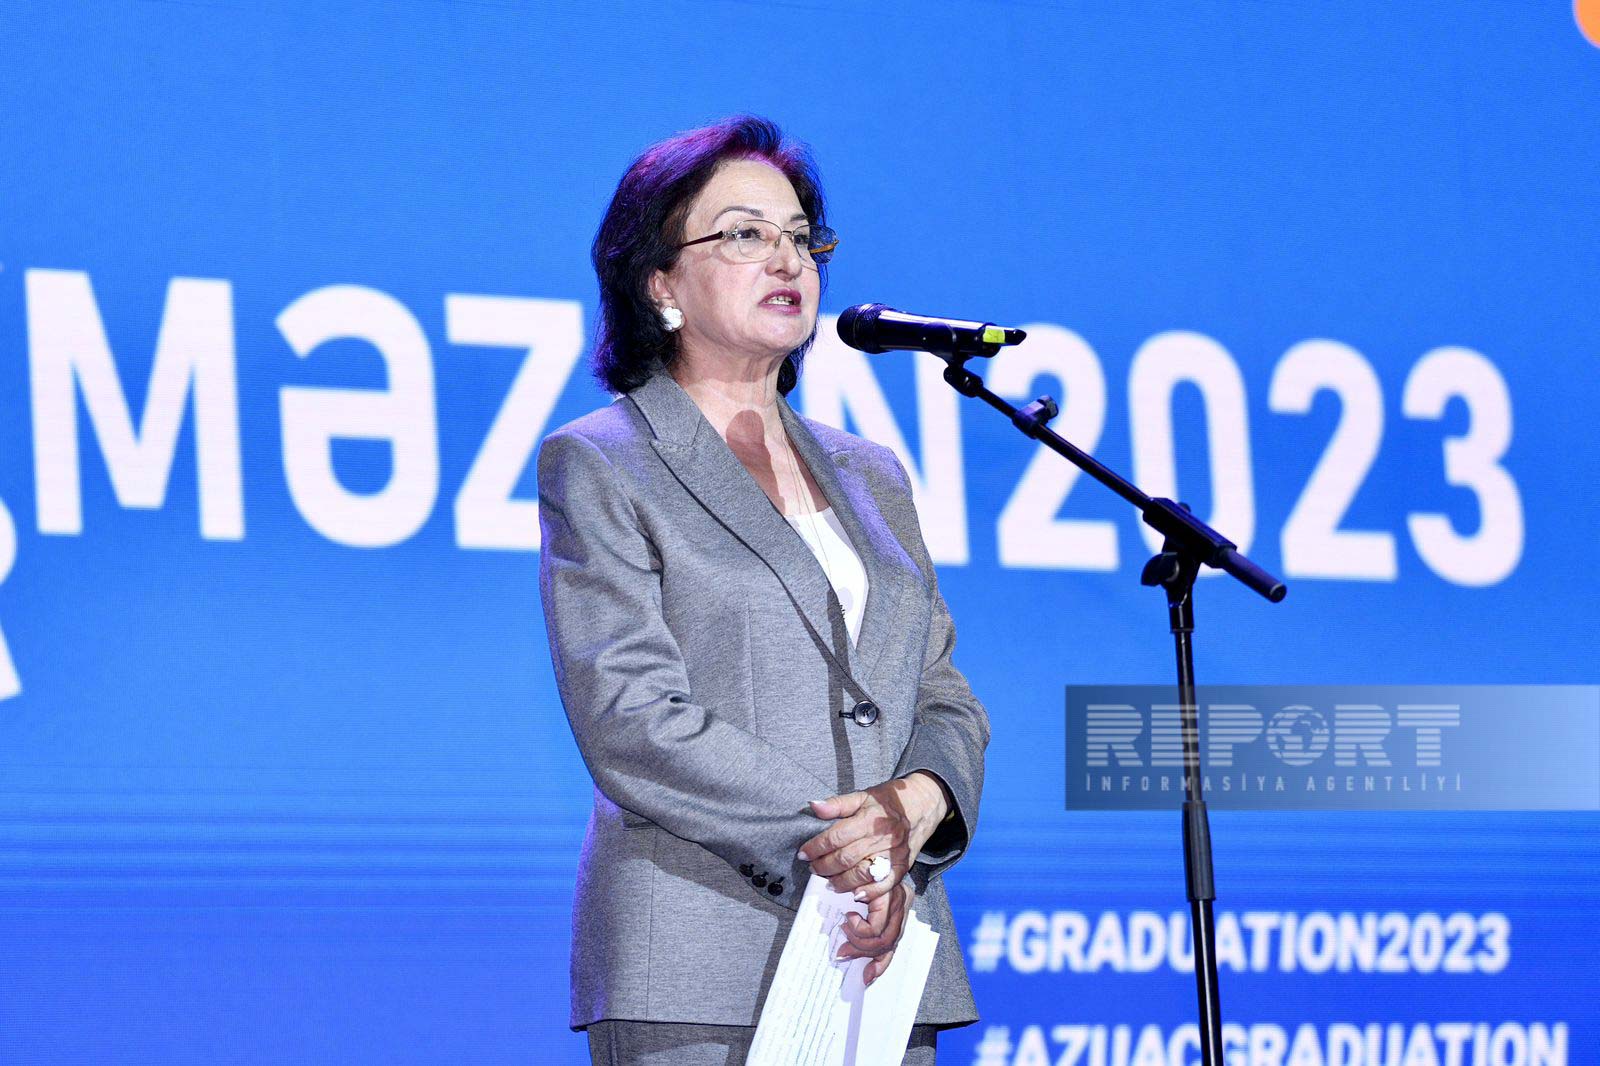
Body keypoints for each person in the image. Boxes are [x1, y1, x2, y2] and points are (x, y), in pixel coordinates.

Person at [537, 115, 990, 1066]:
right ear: (660, 281)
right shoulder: (604, 461)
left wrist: (916, 805)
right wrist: (852, 848)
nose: (787, 259)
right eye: (744, 234)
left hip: (880, 959)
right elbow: (630, 716)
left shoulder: (871, 475)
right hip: (700, 954)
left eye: (800, 237)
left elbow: (943, 695)